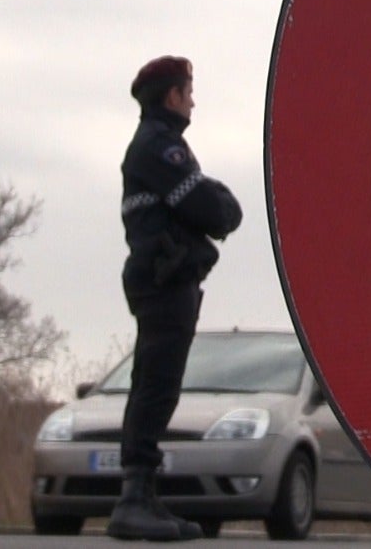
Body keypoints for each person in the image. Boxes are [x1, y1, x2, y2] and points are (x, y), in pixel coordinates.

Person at [107, 56, 242, 542]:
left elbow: (208, 208)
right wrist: (218, 202)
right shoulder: (159, 148)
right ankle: (134, 499)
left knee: (156, 383)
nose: (192, 101)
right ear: (171, 97)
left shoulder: (159, 147)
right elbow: (214, 210)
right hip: (164, 282)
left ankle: (143, 496)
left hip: (166, 281)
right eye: (187, 92)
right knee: (156, 386)